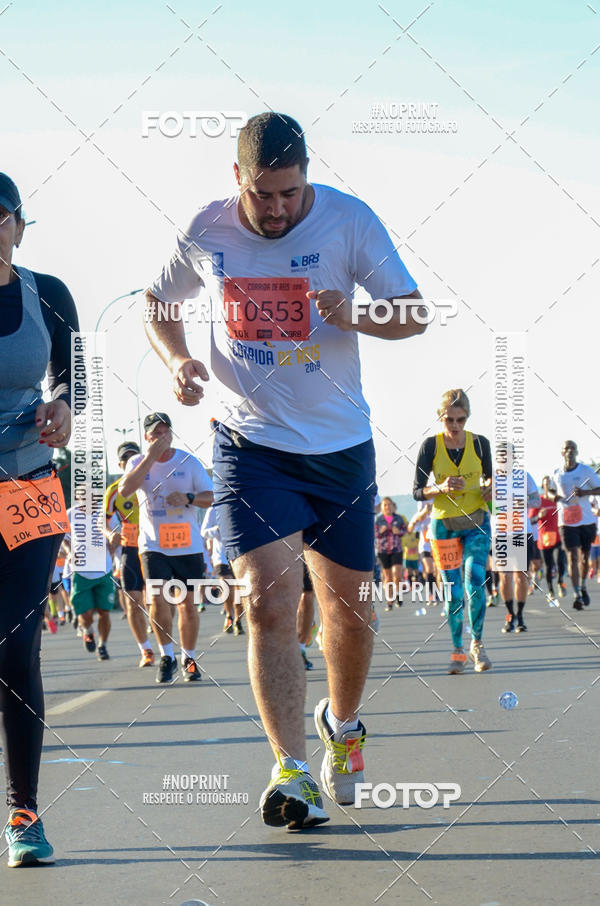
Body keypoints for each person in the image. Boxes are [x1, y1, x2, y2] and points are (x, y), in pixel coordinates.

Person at [143, 112, 425, 828]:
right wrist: (179, 359)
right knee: (268, 603)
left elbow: (415, 313)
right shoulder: (207, 229)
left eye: (290, 194)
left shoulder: (348, 221)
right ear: (237, 178)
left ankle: (344, 724)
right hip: (250, 444)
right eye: (263, 194)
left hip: (339, 447)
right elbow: (158, 304)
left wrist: (357, 315)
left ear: (307, 179)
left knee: (349, 613)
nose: (277, 209)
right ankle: (291, 771)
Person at [0, 173, 78, 866]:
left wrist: (64, 406)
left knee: (15, 648)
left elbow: (75, 377)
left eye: (0, 218)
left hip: (29, 489)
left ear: (20, 227)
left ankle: (23, 812)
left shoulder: (47, 293)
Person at [119, 412, 213, 682]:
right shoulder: (137, 462)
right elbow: (125, 490)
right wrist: (150, 457)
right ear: (146, 437)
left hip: (187, 544)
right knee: (157, 599)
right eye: (155, 433)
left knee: (187, 605)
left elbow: (211, 497)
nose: (161, 437)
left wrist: (189, 497)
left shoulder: (189, 461)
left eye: (165, 432)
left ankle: (189, 658)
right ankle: (167, 656)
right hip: (153, 545)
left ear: (171, 434)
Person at [413, 389, 493, 674]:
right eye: (449, 419)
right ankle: (458, 650)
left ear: (467, 417)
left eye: (461, 419)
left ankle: (477, 644)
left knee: (475, 582)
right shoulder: (430, 446)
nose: (455, 425)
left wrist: (490, 488)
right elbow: (417, 491)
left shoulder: (480, 444)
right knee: (454, 592)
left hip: (476, 521)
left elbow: (491, 479)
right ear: (440, 418)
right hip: (444, 524)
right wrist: (441, 488)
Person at [105, 441, 155, 667]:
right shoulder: (114, 490)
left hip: (155, 547)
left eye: (134, 457)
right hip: (130, 547)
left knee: (158, 599)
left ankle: (164, 641)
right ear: (120, 464)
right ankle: (145, 650)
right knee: (133, 601)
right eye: (126, 459)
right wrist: (110, 534)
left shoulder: (154, 480)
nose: (130, 462)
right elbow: (103, 522)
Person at [549, 441, 600, 609]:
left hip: (586, 520)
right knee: (572, 556)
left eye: (572, 449)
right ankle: (577, 593)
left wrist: (585, 492)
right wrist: (553, 496)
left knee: (584, 557)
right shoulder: (557, 473)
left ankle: (583, 586)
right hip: (566, 522)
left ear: (577, 452)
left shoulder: (586, 471)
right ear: (562, 453)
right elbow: (550, 489)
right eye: (566, 449)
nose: (569, 451)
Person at [497, 470, 540, 633]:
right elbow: (483, 503)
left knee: (521, 576)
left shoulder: (524, 476)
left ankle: (520, 615)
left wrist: (524, 501)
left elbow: (537, 500)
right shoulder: (490, 478)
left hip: (521, 532)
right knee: (504, 576)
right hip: (501, 533)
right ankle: (510, 615)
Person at [200, 504, 244, 636]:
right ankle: (229, 615)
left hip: (240, 555)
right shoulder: (213, 510)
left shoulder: (242, 506)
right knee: (227, 586)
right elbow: (204, 532)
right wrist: (218, 529)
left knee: (240, 592)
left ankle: (238, 620)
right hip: (221, 557)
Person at [533, 476, 567, 601]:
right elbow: (531, 520)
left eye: (549, 484)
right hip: (544, 539)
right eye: (545, 484)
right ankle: (551, 591)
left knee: (560, 561)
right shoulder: (539, 500)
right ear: (543, 487)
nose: (547, 486)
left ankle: (560, 581)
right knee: (548, 566)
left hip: (558, 536)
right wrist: (538, 516)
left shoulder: (558, 500)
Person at [374, 498, 407, 609]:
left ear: (393, 506)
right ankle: (389, 600)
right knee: (387, 577)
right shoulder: (379, 520)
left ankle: (398, 595)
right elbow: (375, 534)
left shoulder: (399, 518)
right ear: (382, 507)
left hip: (396, 550)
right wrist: (381, 531)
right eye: (385, 505)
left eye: (389, 504)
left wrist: (399, 532)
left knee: (396, 574)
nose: (387, 507)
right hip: (383, 551)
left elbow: (405, 531)